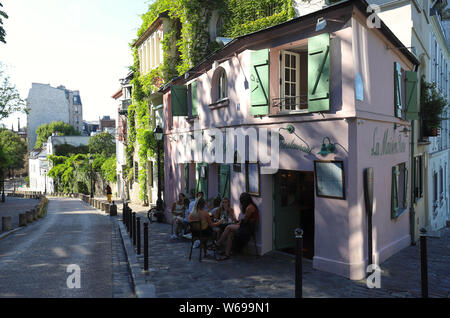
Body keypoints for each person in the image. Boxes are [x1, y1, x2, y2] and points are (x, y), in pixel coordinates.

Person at [214, 193, 259, 260]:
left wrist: (238, 223)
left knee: (229, 227)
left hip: (248, 229)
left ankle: (218, 243)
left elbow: (245, 221)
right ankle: (227, 254)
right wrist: (239, 222)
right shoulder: (250, 206)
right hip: (246, 226)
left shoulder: (250, 207)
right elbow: (244, 220)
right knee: (230, 233)